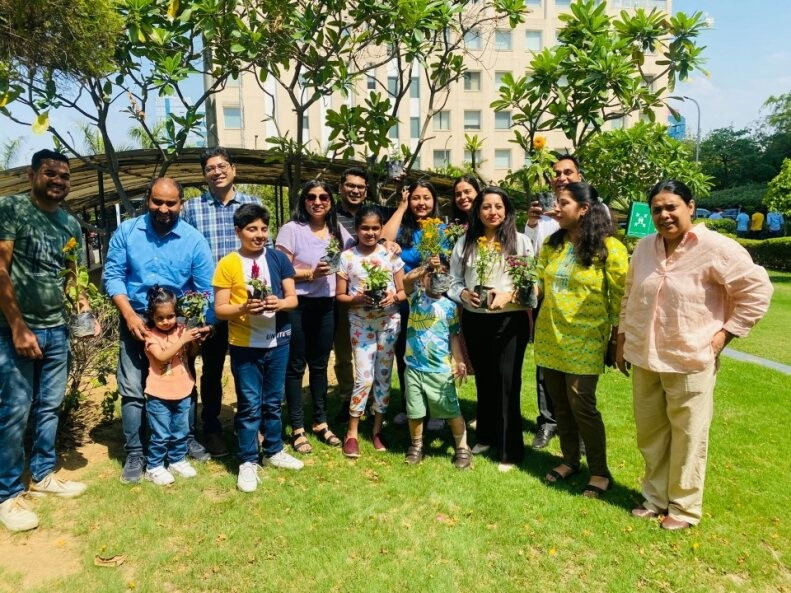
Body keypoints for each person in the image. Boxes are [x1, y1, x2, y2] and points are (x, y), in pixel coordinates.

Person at [617, 180, 772, 530]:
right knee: (651, 434)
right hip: (645, 355)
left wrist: (723, 336)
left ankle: (684, 508)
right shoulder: (643, 248)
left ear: (690, 206)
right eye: (657, 209)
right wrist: (623, 337)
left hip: (690, 358)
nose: (664, 214)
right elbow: (630, 294)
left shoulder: (717, 247)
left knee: (688, 436)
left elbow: (757, 290)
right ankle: (655, 498)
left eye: (671, 206)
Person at [0, 150, 95, 532]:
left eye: (64, 176)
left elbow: (70, 272)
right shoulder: (12, 209)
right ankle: (7, 495)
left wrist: (82, 303)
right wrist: (18, 327)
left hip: (57, 329)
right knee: (14, 411)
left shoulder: (69, 224)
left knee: (49, 406)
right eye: (50, 173)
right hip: (15, 330)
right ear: (32, 174)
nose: (58, 181)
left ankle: (41, 475)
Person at [104, 177, 214, 484]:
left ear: (181, 204)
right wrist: (128, 315)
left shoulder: (193, 240)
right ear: (147, 200)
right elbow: (113, 275)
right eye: (157, 201)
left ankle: (185, 440)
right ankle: (136, 453)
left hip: (175, 323)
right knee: (132, 387)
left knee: (183, 380)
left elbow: (205, 289)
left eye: (171, 203)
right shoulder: (127, 232)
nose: (163, 208)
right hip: (135, 318)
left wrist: (201, 324)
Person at [534, 182, 628, 498]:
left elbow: (619, 296)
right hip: (550, 334)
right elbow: (538, 280)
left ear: (583, 208)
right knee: (560, 403)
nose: (555, 208)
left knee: (582, 404)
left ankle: (599, 472)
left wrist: (617, 339)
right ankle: (570, 460)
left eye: (563, 203)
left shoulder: (610, 248)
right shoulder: (552, 244)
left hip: (587, 337)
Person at [213, 203, 301, 493]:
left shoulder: (277, 259)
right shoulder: (227, 263)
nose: (260, 234)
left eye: (264, 228)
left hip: (278, 341)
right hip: (245, 345)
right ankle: (248, 460)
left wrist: (279, 302)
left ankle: (274, 450)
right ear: (238, 231)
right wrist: (243, 308)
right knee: (250, 404)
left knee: (273, 401)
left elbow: (292, 299)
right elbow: (220, 309)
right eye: (252, 229)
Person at [181, 146, 261, 458]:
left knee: (249, 369)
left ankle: (249, 427)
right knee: (211, 369)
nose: (217, 171)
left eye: (222, 165)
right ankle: (211, 427)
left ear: (233, 169)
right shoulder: (192, 209)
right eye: (211, 168)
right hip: (209, 306)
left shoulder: (253, 204)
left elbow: (262, 251)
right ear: (204, 175)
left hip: (246, 306)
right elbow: (184, 255)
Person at [448, 187, 534, 472]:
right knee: (484, 379)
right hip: (475, 320)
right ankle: (485, 435)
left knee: (508, 383)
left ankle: (510, 449)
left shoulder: (520, 242)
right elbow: (453, 280)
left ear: (507, 211)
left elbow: (531, 286)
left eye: (499, 206)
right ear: (477, 211)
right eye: (486, 207)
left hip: (510, 322)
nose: (493, 212)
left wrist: (508, 294)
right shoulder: (465, 242)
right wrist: (463, 295)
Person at [275, 180, 353, 454]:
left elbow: (357, 250)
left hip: (326, 304)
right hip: (297, 304)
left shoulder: (335, 230)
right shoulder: (291, 229)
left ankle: (320, 422)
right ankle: (297, 428)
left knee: (320, 365)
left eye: (323, 197)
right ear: (303, 201)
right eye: (311, 197)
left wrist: (388, 246)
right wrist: (310, 274)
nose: (317, 202)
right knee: (295, 366)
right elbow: (280, 268)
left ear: (331, 201)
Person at [336, 205, 406, 458]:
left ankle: (377, 429)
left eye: (375, 228)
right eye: (365, 228)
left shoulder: (390, 255)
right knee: (364, 378)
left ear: (381, 229)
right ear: (356, 229)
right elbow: (340, 296)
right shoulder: (347, 257)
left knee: (383, 377)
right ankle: (352, 432)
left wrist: (392, 297)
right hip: (361, 324)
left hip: (389, 323)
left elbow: (402, 292)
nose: (370, 232)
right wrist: (356, 299)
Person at [524, 154, 583, 450]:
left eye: (567, 172)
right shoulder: (546, 216)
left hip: (581, 307)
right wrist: (533, 222)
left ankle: (578, 426)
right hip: (546, 300)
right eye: (556, 173)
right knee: (545, 366)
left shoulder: (592, 211)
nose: (561, 177)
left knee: (578, 371)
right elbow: (531, 254)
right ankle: (548, 422)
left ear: (579, 177)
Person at [382, 180, 444, 428]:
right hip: (404, 301)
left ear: (434, 201)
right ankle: (411, 405)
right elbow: (383, 239)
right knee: (405, 355)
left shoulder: (440, 229)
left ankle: (437, 409)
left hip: (432, 302)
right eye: (416, 198)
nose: (421, 203)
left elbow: (446, 266)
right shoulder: (403, 227)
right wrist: (401, 207)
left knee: (433, 353)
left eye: (426, 198)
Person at [402, 264, 471, 468]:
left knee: (451, 412)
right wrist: (427, 267)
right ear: (423, 278)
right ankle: (416, 446)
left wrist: (458, 361)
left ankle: (462, 448)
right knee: (414, 412)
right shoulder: (415, 298)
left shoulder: (449, 307)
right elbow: (406, 280)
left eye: (440, 274)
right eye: (431, 275)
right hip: (414, 368)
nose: (435, 279)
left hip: (440, 369)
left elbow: (454, 337)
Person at [142, 286, 204, 486]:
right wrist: (183, 339)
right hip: (158, 394)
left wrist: (193, 340)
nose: (167, 321)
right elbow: (161, 357)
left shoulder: (182, 330)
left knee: (181, 430)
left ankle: (177, 460)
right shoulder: (150, 335)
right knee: (160, 434)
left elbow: (191, 353)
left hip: (183, 390)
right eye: (160, 318)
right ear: (152, 316)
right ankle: (154, 466)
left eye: (170, 316)